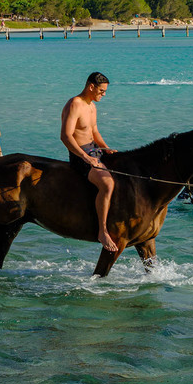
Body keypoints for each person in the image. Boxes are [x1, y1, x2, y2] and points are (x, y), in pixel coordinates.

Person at [61, 71, 118, 255]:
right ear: (91, 86)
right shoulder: (75, 104)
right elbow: (66, 136)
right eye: (102, 90)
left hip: (94, 149)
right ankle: (102, 231)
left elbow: (94, 132)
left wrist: (107, 148)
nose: (104, 94)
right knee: (107, 183)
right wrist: (85, 158)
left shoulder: (92, 107)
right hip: (79, 155)